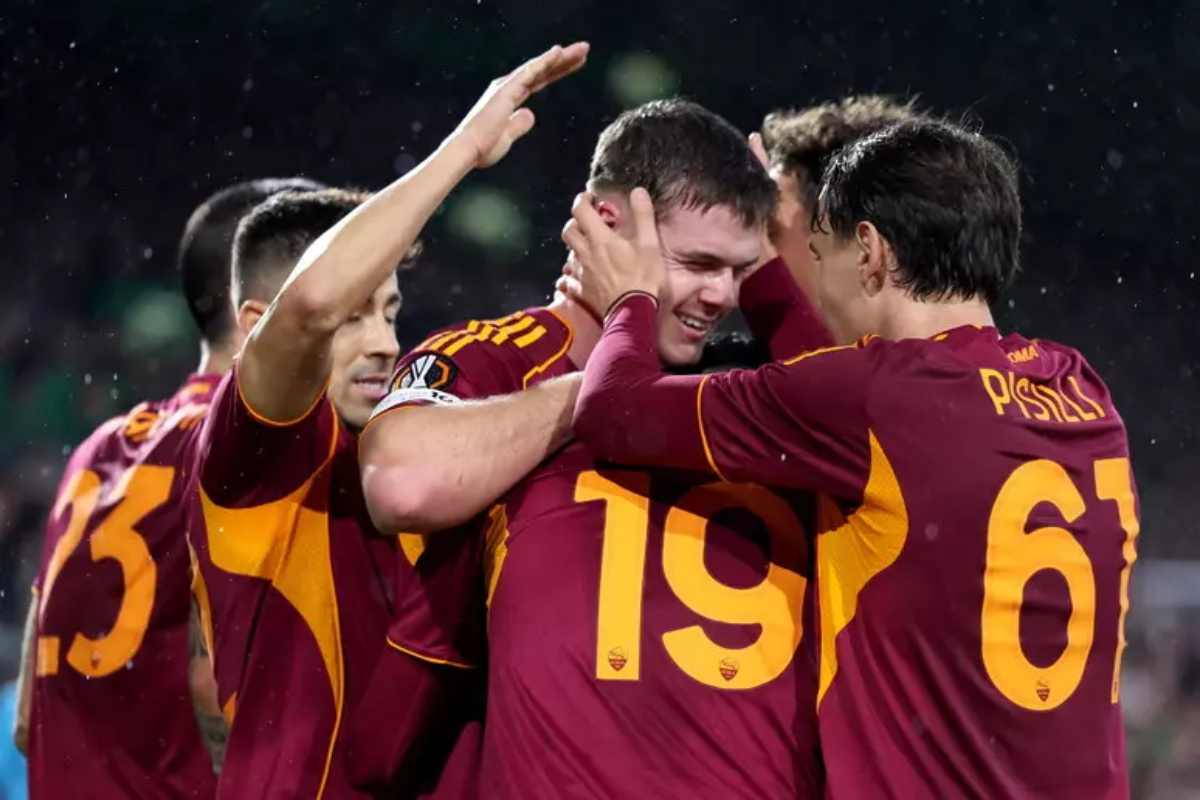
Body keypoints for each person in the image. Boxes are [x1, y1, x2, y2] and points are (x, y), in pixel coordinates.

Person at [564, 118, 1139, 798]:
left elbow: (615, 411)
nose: (815, 285)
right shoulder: (1081, 389)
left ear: (869, 251)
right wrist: (762, 264)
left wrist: (631, 294)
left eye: (817, 253)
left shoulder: (875, 395)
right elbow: (860, 410)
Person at [357, 97, 831, 797]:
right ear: (606, 227)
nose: (721, 295)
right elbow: (402, 485)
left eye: (740, 270)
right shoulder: (495, 358)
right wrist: (608, 389)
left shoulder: (745, 380)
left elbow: (864, 431)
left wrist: (766, 279)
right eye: (697, 262)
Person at [186, 42, 588, 799]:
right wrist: (463, 151)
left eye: (392, 311)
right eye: (356, 317)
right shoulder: (256, 457)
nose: (384, 342)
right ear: (253, 328)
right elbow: (310, 305)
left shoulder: (424, 458)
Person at [13, 177, 323, 798]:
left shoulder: (97, 451)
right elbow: (229, 696)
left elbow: (26, 717)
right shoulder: (257, 451)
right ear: (270, 307)